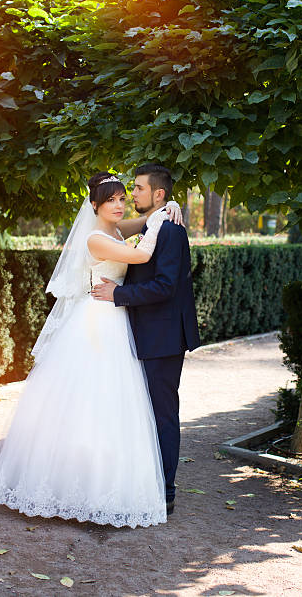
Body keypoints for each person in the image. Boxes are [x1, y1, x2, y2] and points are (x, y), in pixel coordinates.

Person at [0, 172, 182, 529]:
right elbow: (142, 255)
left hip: (116, 317)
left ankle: (106, 478)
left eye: (123, 198)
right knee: (87, 397)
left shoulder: (114, 230)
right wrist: (159, 218)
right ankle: (71, 484)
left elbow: (141, 220)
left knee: (115, 400)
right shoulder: (97, 239)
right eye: (111, 200)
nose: (120, 205)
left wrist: (167, 204)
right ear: (94, 205)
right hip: (97, 321)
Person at [91, 164, 200, 515]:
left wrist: (118, 294)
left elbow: (166, 286)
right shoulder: (149, 225)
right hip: (139, 334)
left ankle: (166, 492)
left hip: (164, 337)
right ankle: (143, 483)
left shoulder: (170, 230)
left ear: (158, 194)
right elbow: (125, 234)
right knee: (141, 414)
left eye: (136, 189)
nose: (130, 195)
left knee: (163, 415)